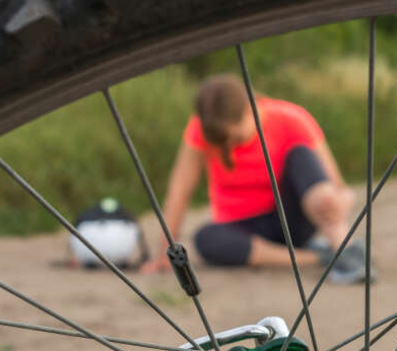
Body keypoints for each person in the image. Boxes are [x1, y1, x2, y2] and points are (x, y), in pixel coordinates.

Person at [139, 74, 370, 283]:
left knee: (300, 155)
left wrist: (335, 202)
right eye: (223, 143)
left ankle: (343, 248)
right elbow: (180, 191)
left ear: (251, 109)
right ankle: (317, 256)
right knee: (205, 238)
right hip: (243, 229)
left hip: (292, 218)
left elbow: (337, 185)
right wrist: (163, 254)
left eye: (235, 138)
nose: (230, 147)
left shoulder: (292, 119)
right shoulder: (199, 130)